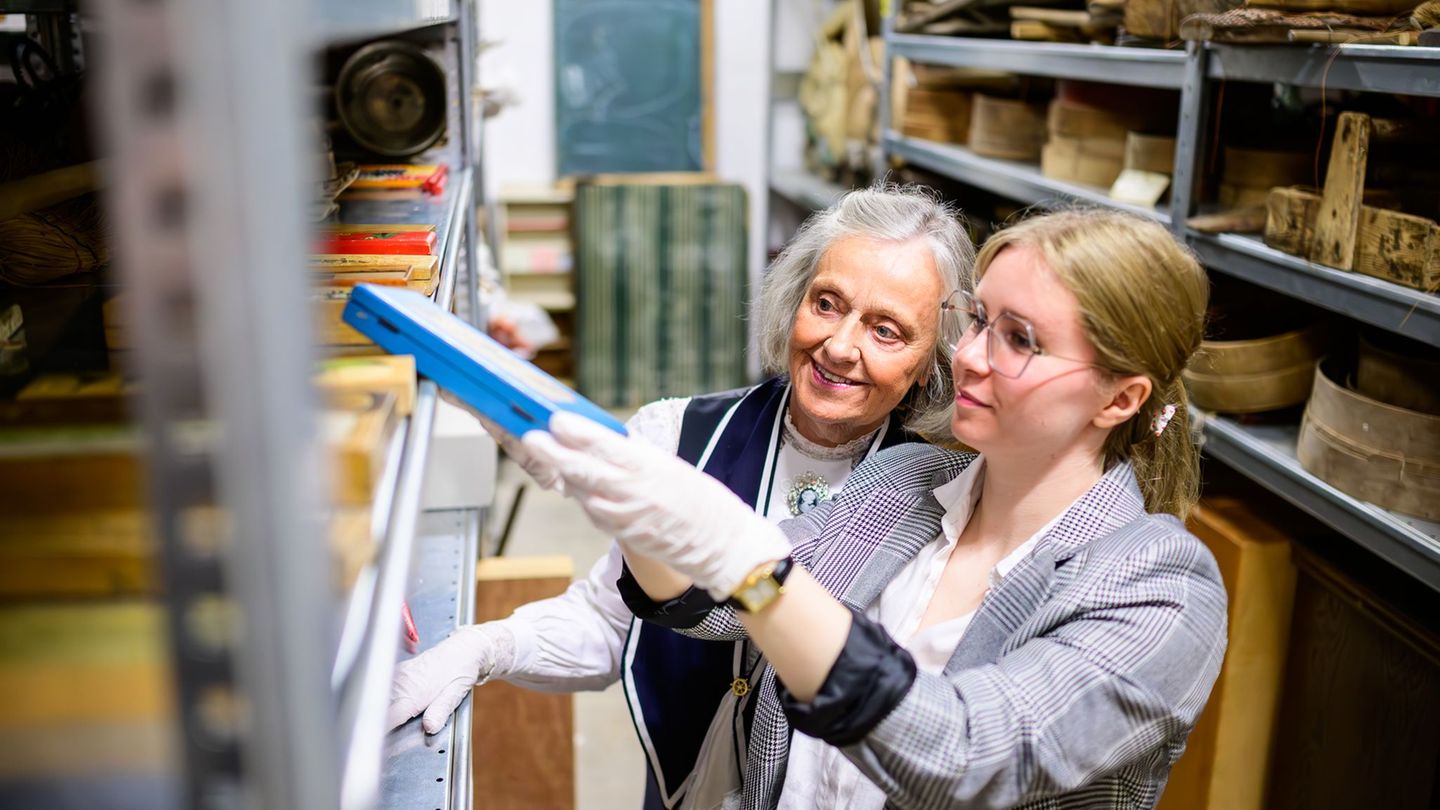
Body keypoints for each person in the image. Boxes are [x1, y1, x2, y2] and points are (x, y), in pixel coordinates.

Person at [525, 209, 1229, 809]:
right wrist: (624, 496)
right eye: (979, 320)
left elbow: (963, 753)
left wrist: (746, 559)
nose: (973, 357)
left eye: (1021, 339)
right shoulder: (908, 481)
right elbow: (720, 607)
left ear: (1119, 399)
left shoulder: (1160, 589)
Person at [387, 184, 975, 810]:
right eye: (827, 303)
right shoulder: (678, 436)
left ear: (932, 362)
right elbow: (613, 623)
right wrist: (485, 646)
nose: (838, 347)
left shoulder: (945, 493)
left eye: (886, 331)